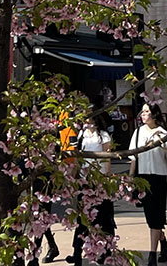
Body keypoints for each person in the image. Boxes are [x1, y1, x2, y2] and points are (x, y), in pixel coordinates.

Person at [128, 103, 167, 266]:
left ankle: (152, 254)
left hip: (159, 180)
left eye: (146, 111)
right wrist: (130, 179)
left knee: (156, 218)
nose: (143, 114)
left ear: (154, 115)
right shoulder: (138, 133)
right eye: (142, 111)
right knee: (151, 218)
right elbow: (133, 158)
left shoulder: (162, 134)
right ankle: (164, 244)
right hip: (142, 179)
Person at [67, 111, 114, 266]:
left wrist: (106, 177)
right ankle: (77, 251)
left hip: (99, 178)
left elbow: (107, 156)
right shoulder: (81, 134)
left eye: (91, 118)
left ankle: (105, 251)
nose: (89, 121)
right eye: (86, 118)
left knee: (102, 216)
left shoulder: (104, 135)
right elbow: (78, 158)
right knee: (83, 218)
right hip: (84, 179)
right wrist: (73, 177)